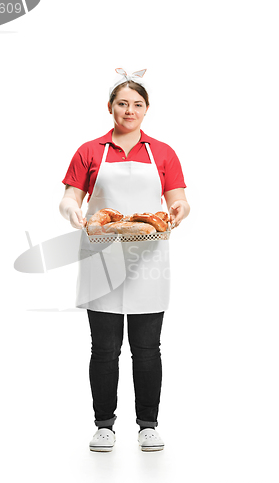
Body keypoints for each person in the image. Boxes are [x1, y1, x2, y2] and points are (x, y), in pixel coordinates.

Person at [59, 68, 190, 452]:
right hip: (101, 255)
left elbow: (178, 199)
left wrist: (180, 211)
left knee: (148, 348)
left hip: (150, 258)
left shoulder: (162, 152)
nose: (129, 110)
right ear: (110, 107)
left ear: (147, 109)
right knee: (104, 348)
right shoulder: (89, 150)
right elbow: (71, 196)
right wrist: (71, 211)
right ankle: (104, 425)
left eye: (136, 104)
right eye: (122, 103)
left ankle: (148, 424)